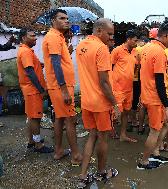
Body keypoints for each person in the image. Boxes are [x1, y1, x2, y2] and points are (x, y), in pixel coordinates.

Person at [76, 18, 120, 187]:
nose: (111, 38)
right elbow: (103, 82)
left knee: (92, 136)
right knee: (103, 139)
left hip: (87, 101)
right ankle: (102, 172)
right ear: (99, 30)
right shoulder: (101, 49)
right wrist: (115, 105)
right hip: (101, 103)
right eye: (109, 34)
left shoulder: (81, 45)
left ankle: (83, 174)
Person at [42, 9, 82, 164]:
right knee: (70, 120)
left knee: (59, 118)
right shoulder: (53, 37)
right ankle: (76, 155)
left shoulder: (59, 37)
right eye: (62, 18)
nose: (67, 21)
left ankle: (58, 150)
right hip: (61, 88)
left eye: (67, 18)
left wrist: (68, 51)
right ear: (53, 20)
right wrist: (64, 90)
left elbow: (60, 61)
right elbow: (56, 65)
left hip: (60, 86)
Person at [137, 21, 168, 170]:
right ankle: (144, 161)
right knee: (154, 131)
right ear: (166, 35)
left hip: (148, 94)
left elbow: (143, 71)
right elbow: (159, 81)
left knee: (167, 123)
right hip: (155, 97)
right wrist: (167, 106)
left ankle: (155, 151)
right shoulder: (160, 52)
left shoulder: (146, 47)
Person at [16, 28, 53, 153]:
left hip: (29, 89)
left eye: (35, 35)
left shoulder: (25, 51)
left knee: (31, 117)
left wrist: (38, 64)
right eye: (32, 36)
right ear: (23, 38)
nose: (35, 38)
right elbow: (30, 73)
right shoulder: (25, 52)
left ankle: (32, 141)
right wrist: (41, 89)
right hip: (33, 90)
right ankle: (38, 144)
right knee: (36, 117)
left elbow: (31, 67)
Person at [111, 29, 139, 143]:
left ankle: (123, 135)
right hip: (117, 88)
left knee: (126, 112)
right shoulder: (117, 50)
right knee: (115, 113)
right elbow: (109, 66)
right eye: (135, 40)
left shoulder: (135, 52)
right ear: (128, 39)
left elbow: (137, 65)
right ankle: (111, 131)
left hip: (129, 88)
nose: (136, 43)